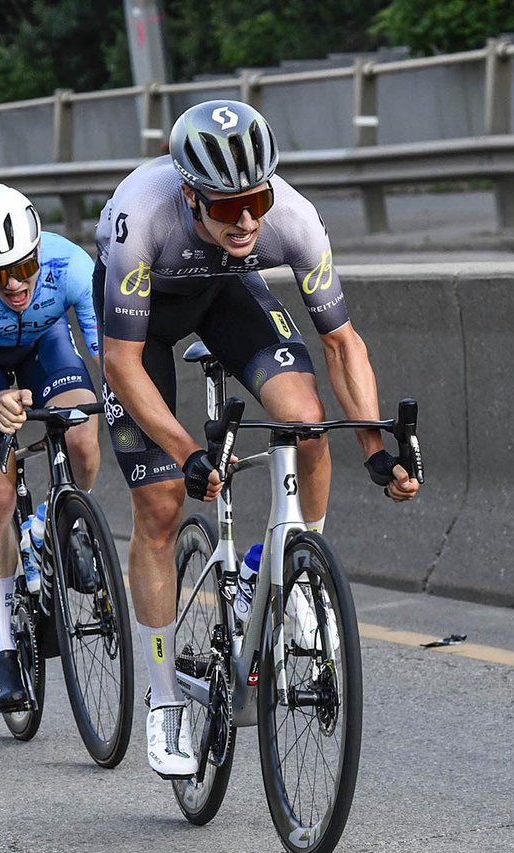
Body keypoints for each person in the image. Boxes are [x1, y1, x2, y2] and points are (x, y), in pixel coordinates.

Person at [94, 100, 420, 778]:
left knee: (304, 421)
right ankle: (162, 705)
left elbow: (340, 342)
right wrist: (186, 453)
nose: (247, 218)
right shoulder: (142, 215)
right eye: (228, 205)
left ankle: (294, 578)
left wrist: (375, 450)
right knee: (159, 506)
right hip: (144, 325)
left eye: (257, 199)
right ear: (190, 194)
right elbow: (122, 363)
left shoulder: (291, 219)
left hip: (225, 295)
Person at [0, 182, 101, 712]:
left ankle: (62, 524)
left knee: (82, 432)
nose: (14, 284)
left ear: (37, 251)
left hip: (46, 346)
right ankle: (3, 648)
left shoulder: (71, 264)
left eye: (24, 267)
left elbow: (115, 359)